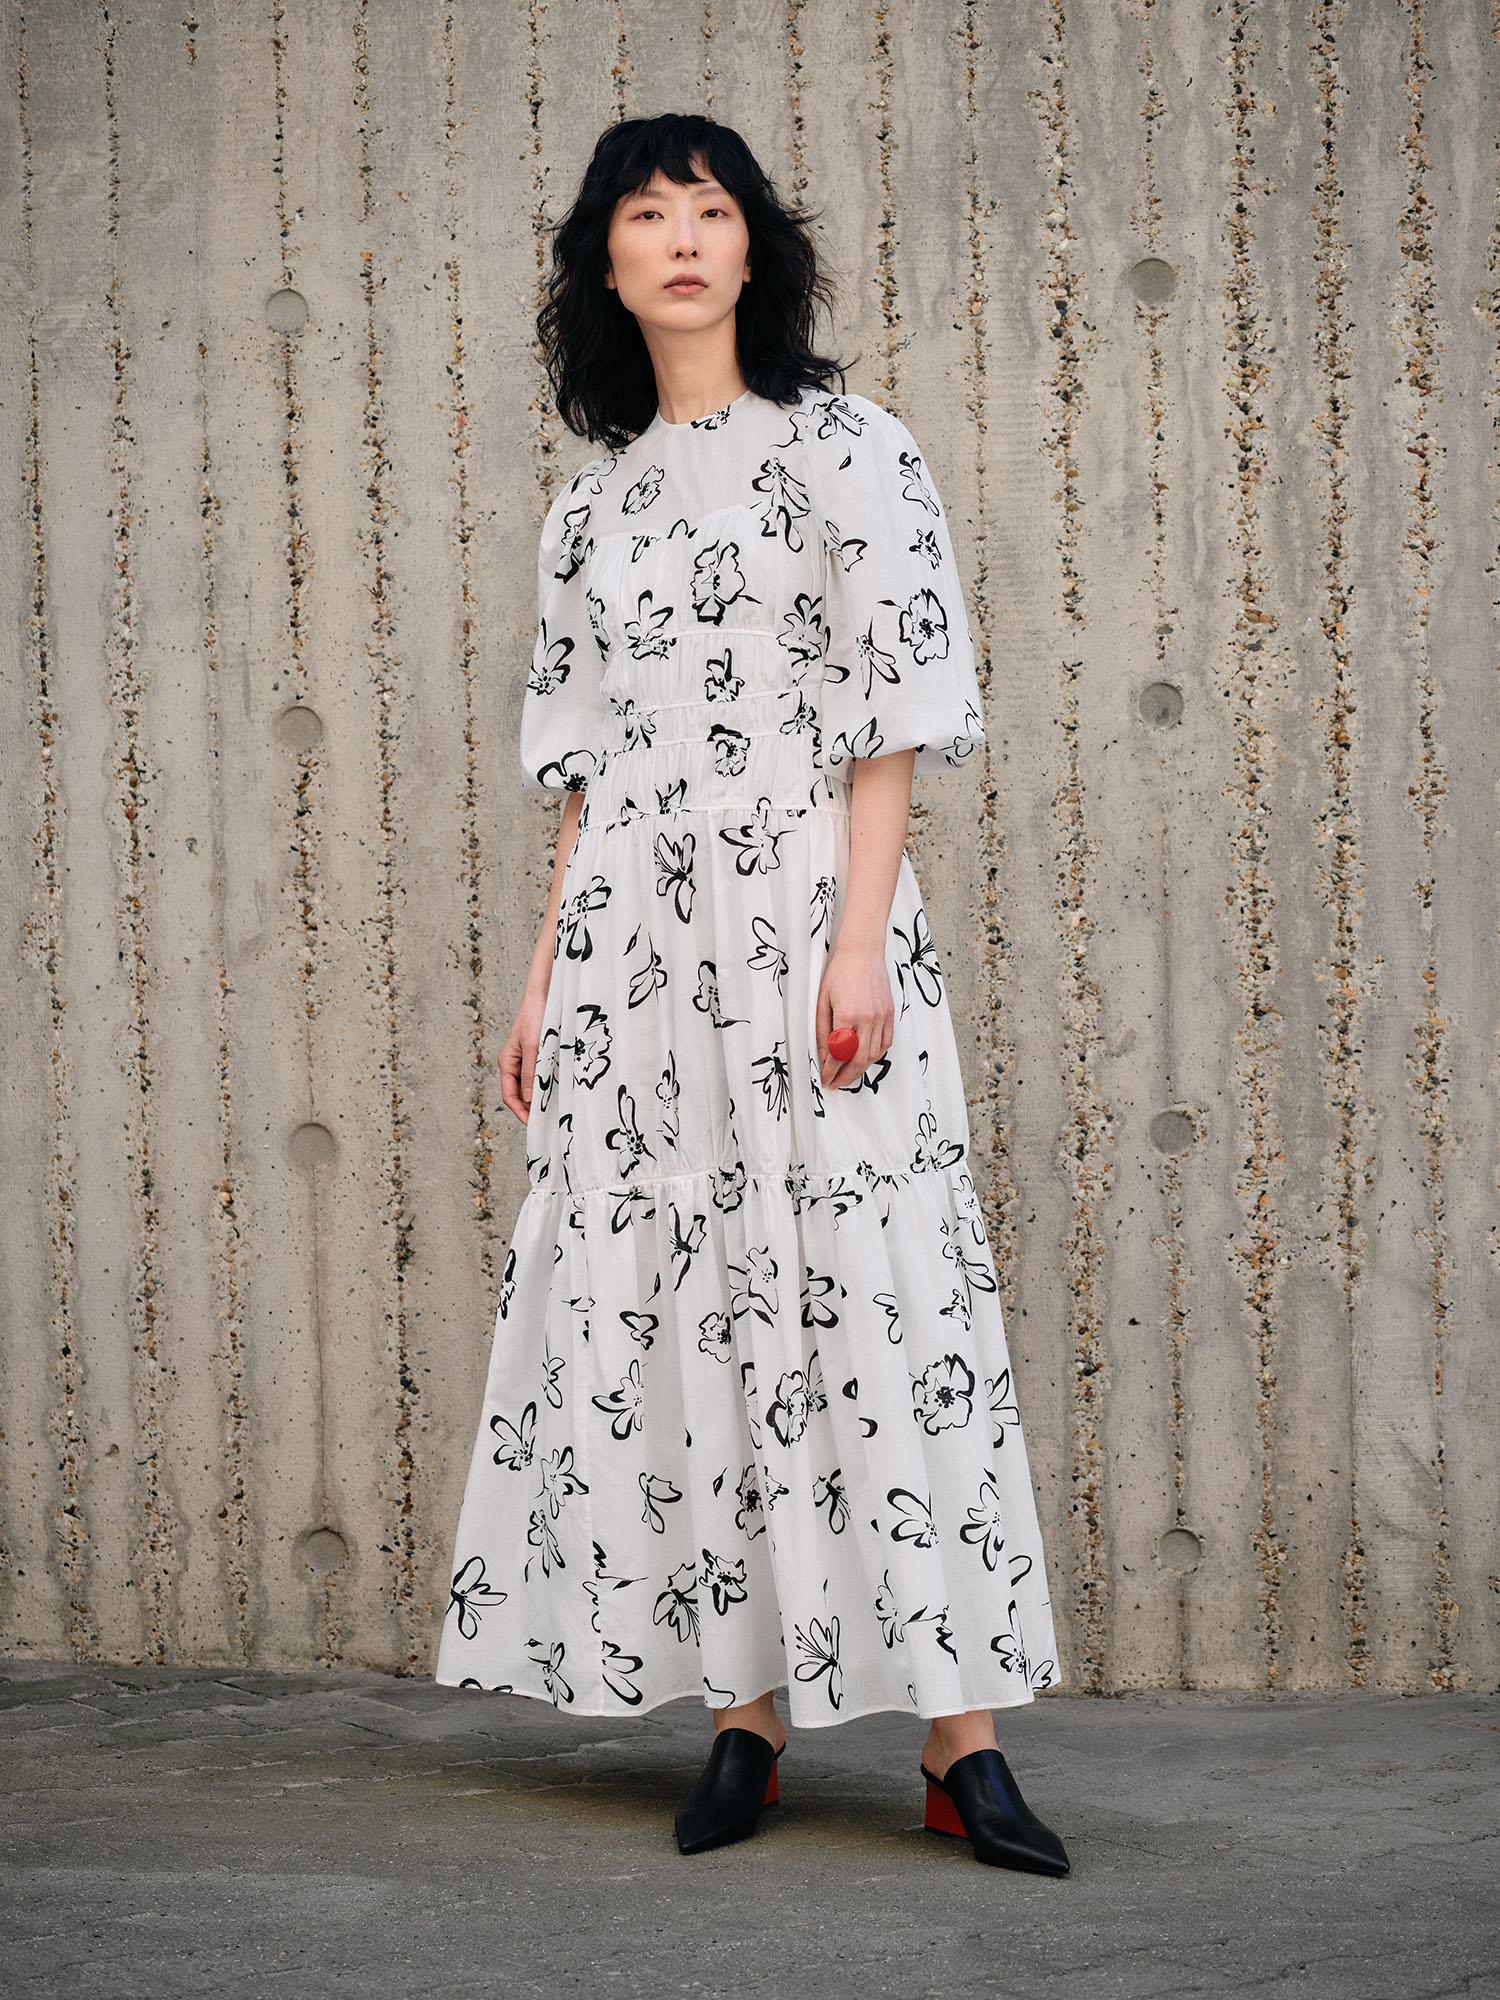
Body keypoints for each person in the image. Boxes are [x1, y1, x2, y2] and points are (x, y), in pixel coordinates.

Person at [434, 110, 1069, 1879]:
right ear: (607, 262)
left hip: (808, 914)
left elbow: (892, 714)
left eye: (708, 209)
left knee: (878, 1293)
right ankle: (745, 1718)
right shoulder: (595, 506)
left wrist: (857, 942)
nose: (682, 238)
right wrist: (545, 982)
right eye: (647, 214)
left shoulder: (852, 448)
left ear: (752, 245)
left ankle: (961, 1743)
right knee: (689, 1299)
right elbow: (587, 772)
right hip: (637, 949)